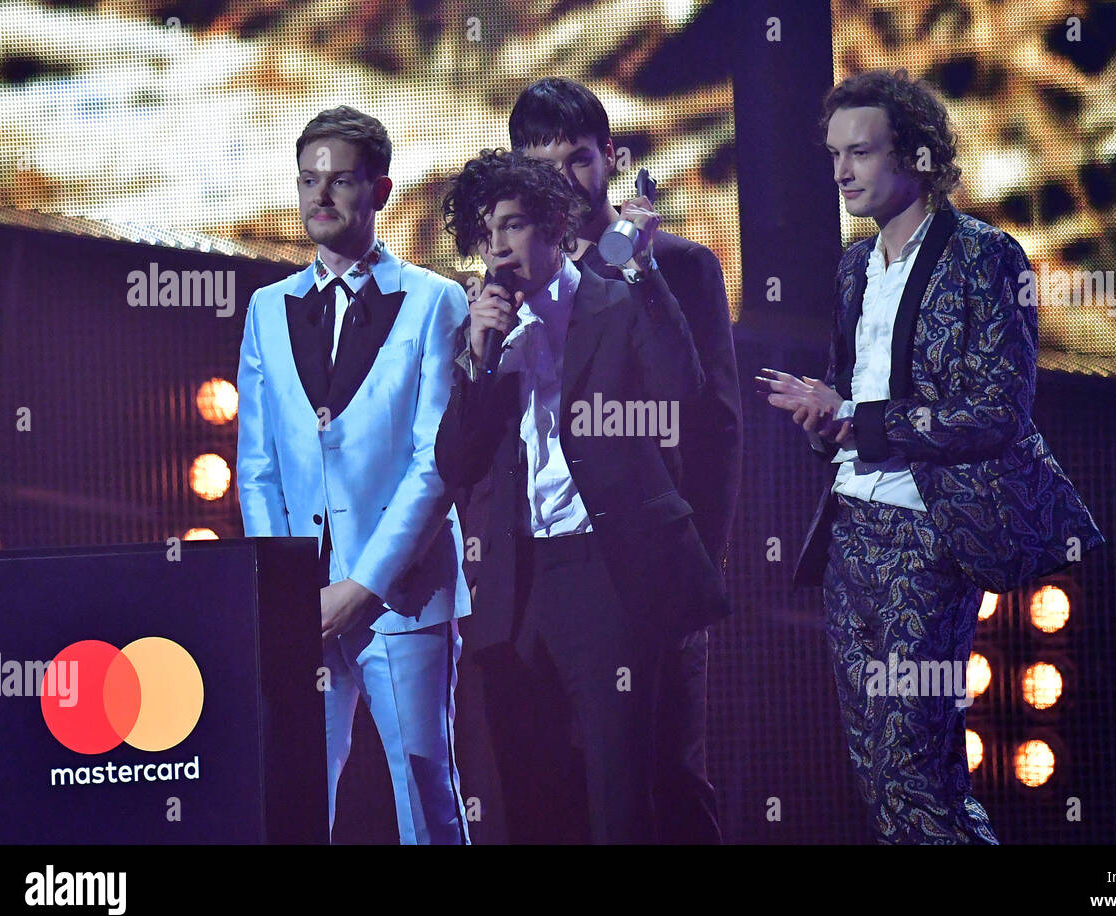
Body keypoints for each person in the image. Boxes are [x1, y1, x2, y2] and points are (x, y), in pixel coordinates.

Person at [758, 69, 1104, 844]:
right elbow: (850, 402)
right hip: (851, 535)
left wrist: (855, 417)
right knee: (878, 774)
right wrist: (826, 418)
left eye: (862, 152)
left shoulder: (986, 257)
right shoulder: (854, 269)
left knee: (919, 768)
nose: (842, 171)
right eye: (834, 155)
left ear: (915, 155)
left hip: (928, 537)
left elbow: (998, 409)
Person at [435, 149, 728, 844]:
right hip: (517, 585)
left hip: (609, 574)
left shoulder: (615, 299)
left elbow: (681, 393)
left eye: (511, 226)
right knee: (531, 795)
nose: (497, 248)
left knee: (622, 797)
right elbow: (457, 462)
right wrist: (481, 360)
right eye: (485, 234)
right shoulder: (483, 329)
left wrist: (645, 272)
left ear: (555, 226)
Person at [506, 76, 741, 844]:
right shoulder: (512, 282)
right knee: (569, 786)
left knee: (668, 776)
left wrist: (696, 569)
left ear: (612, 157)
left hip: (652, 567)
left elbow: (714, 429)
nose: (562, 185)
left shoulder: (677, 264)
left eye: (577, 161)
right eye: (540, 167)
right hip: (546, 577)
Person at [236, 105, 471, 844]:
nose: (320, 197)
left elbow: (438, 461)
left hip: (403, 593)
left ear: (381, 190)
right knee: (297, 792)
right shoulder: (268, 308)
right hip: (300, 602)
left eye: (340, 181)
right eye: (308, 180)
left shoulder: (436, 300)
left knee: (425, 790)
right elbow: (258, 464)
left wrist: (361, 586)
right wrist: (287, 588)